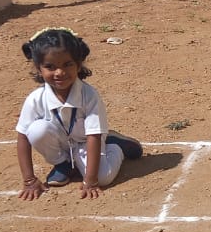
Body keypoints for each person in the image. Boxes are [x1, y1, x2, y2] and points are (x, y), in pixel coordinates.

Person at [15, 28, 143, 200]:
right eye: (50, 67)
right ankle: (63, 165)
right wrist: (29, 180)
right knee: (36, 130)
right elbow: (23, 136)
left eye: (67, 64)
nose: (59, 72)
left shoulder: (89, 95)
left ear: (79, 64)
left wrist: (90, 180)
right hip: (61, 145)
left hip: (85, 141)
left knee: (103, 177)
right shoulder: (36, 99)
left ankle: (115, 145)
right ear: (39, 69)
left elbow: (93, 136)